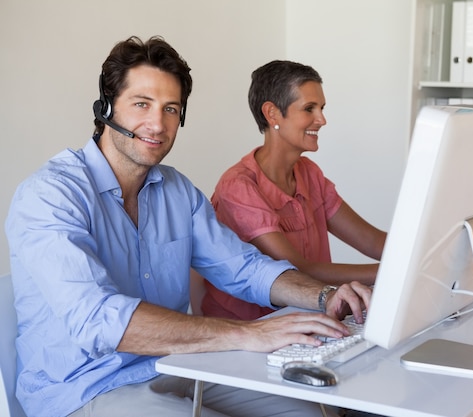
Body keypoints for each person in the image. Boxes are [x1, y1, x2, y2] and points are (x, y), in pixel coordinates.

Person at [4, 36, 371, 417]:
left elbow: (244, 268)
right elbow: (98, 319)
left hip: (175, 364)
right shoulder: (49, 195)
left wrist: (327, 297)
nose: (157, 124)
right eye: (142, 104)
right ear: (106, 107)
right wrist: (246, 334)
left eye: (171, 109)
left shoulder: (177, 190)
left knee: (310, 412)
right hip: (86, 388)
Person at [193, 60, 387, 320]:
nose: (322, 119)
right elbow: (298, 270)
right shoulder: (238, 186)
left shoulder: (309, 173)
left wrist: (431, 253)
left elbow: (372, 241)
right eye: (309, 108)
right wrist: (391, 272)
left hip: (306, 318)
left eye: (321, 108)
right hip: (248, 330)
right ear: (272, 113)